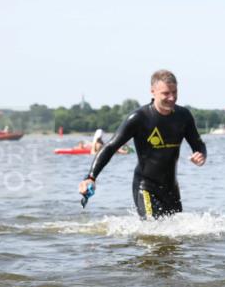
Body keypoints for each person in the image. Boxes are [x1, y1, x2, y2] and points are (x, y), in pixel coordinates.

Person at [77, 70, 206, 219]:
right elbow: (110, 147)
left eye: (174, 92)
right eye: (165, 93)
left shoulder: (183, 116)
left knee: (176, 236)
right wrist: (91, 177)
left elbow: (198, 144)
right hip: (146, 187)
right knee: (153, 230)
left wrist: (201, 154)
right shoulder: (139, 118)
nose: (171, 98)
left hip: (172, 189)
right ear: (153, 92)